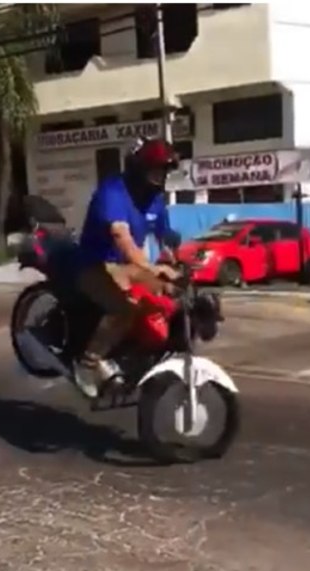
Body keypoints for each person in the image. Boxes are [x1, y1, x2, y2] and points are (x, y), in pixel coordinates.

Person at [73, 136, 181, 397]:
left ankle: (136, 354)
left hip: (125, 266)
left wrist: (176, 262)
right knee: (124, 309)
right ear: (138, 170)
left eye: (164, 172)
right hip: (94, 265)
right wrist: (151, 268)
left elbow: (164, 236)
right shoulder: (113, 191)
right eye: (155, 171)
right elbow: (122, 237)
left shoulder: (154, 198)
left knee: (170, 295)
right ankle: (87, 364)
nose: (160, 177)